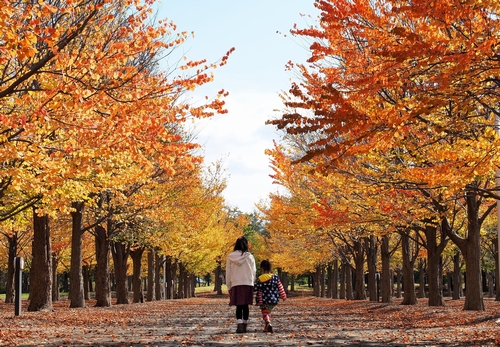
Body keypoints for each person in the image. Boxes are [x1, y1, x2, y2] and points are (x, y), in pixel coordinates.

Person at [226, 236, 256, 333]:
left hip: (236, 283)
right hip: (247, 283)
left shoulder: (231, 257)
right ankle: (245, 324)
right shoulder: (250, 256)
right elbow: (254, 271)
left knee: (239, 305)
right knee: (245, 305)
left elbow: (228, 272)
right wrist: (252, 282)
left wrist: (228, 285)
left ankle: (239, 324)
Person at [254, 259, 287, 333]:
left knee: (265, 312)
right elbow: (280, 287)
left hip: (263, 299)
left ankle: (268, 322)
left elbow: (256, 287)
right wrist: (283, 295)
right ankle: (266, 327)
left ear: (262, 268)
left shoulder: (261, 278)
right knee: (268, 312)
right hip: (273, 299)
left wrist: (250, 289)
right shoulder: (275, 277)